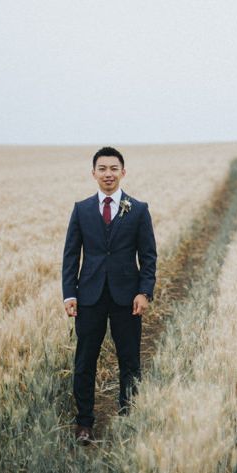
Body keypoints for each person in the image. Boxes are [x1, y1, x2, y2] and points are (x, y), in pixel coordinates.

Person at [62, 146, 157, 445]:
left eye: (113, 168)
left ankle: (128, 416)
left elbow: (149, 256)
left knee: (129, 360)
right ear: (93, 173)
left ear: (123, 172)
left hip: (126, 298)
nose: (108, 174)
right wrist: (69, 294)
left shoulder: (138, 209)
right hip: (89, 297)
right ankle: (85, 423)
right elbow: (70, 255)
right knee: (85, 361)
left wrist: (144, 292)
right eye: (102, 169)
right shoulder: (81, 209)